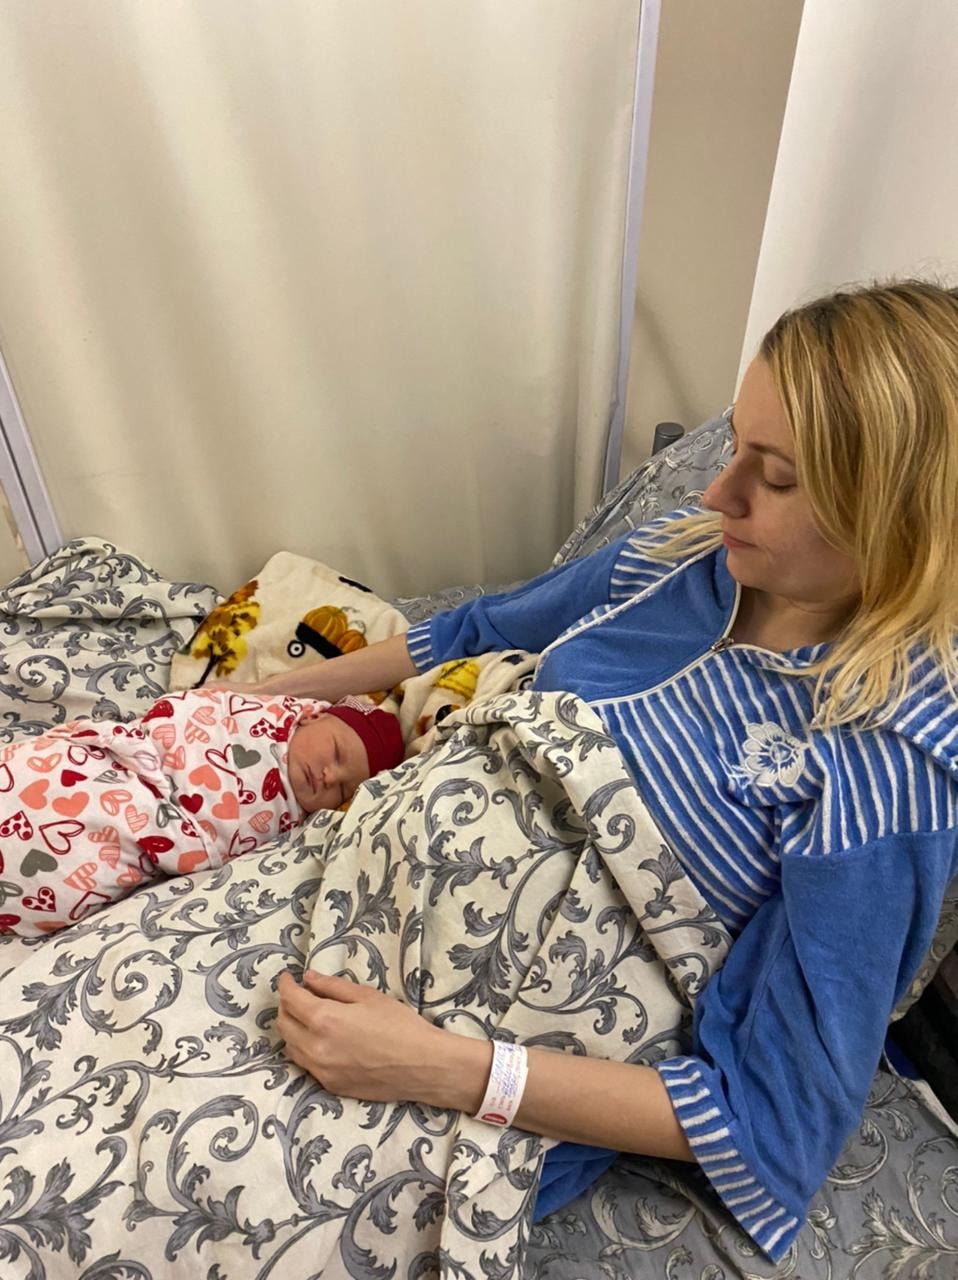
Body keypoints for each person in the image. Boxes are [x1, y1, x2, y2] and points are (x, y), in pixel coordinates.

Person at [218, 280, 958, 1261]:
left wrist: (444, 1067)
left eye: (774, 477)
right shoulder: (682, 558)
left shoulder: (884, 769)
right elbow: (481, 624)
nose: (717, 493)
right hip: (333, 874)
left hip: (454, 1041)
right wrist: (258, 703)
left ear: (897, 516)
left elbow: (773, 1121)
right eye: (734, 445)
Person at [0, 689, 404, 936]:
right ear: (312, 717)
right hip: (108, 766)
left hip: (135, 833)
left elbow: (220, 850)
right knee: (36, 780)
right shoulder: (245, 716)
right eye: (336, 753)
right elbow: (180, 711)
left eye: (344, 788)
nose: (329, 776)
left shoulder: (292, 826)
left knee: (56, 866)